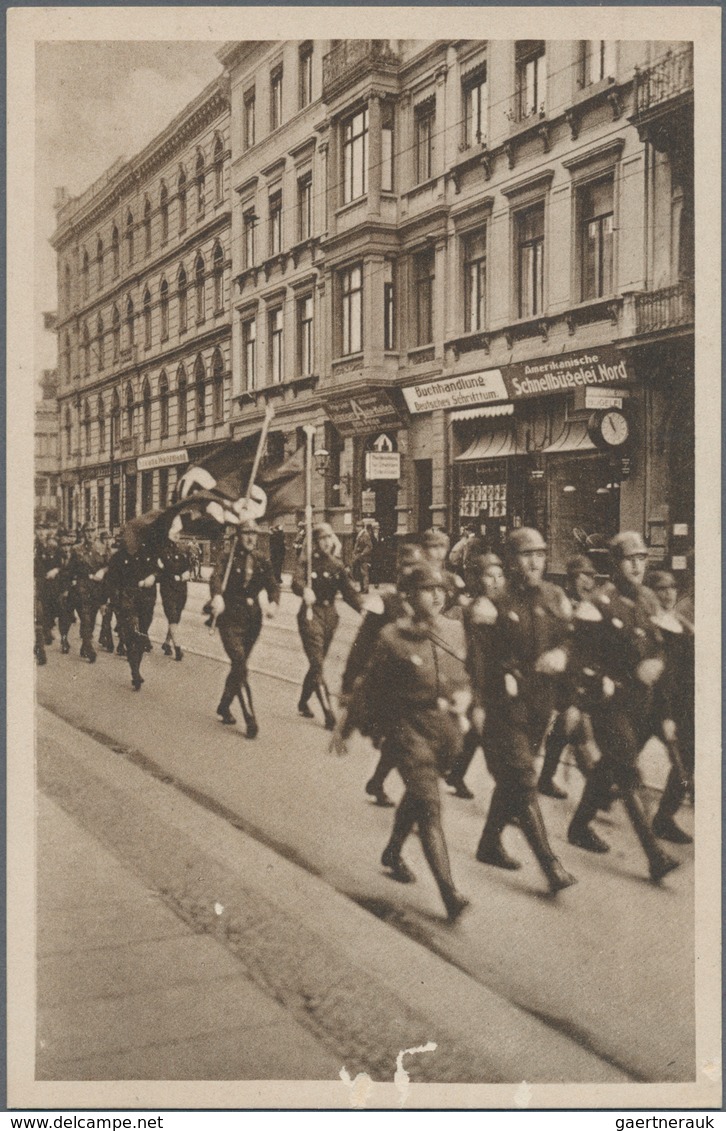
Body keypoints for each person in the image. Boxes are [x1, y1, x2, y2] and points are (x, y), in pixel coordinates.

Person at [348, 562, 471, 922]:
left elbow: (470, 673)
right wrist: (354, 726)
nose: (435, 595)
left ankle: (392, 851)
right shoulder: (392, 638)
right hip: (407, 730)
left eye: (440, 590)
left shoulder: (455, 631)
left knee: (419, 796)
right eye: (426, 590)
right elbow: (370, 686)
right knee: (430, 806)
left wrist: (468, 697)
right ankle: (450, 893)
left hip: (446, 731)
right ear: (408, 597)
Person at [566, 533, 681, 882]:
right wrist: (593, 684)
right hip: (609, 702)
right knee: (628, 770)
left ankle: (579, 826)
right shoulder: (598, 604)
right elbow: (579, 657)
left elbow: (660, 644)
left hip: (640, 703)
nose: (637, 565)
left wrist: (657, 665)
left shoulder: (648, 599)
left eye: (642, 558)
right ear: (615, 565)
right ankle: (654, 855)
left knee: (608, 766)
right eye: (629, 559)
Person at [473, 528, 577, 894]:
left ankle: (488, 843)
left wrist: (562, 654)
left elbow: (569, 636)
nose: (534, 562)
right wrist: (500, 680)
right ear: (512, 561)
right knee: (525, 780)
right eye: (525, 555)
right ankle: (551, 865)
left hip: (539, 707)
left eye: (540, 554)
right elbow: (481, 660)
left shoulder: (555, 596)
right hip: (505, 708)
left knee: (514, 780)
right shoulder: (493, 605)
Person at [334, 542, 424, 806]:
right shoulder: (384, 602)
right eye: (406, 567)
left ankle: (377, 782)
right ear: (398, 571)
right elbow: (360, 645)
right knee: (404, 744)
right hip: (383, 685)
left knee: (401, 741)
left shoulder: (424, 602)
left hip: (411, 685)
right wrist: (348, 686)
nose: (411, 573)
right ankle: (419, 803)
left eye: (416, 568)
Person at [209, 520, 280, 738]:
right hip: (230, 618)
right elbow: (216, 577)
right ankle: (250, 719)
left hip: (252, 621)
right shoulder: (227, 558)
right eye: (246, 533)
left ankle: (223, 705)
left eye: (254, 534)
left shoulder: (261, 560)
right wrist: (218, 596)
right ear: (239, 535)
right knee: (240, 663)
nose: (251, 538)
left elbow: (273, 585)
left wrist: (273, 602)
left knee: (239, 666)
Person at [445, 552, 507, 799]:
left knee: (475, 733)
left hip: (494, 680)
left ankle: (455, 773)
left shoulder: (501, 605)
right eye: (489, 576)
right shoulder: (479, 609)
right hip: (479, 679)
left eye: (500, 576)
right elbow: (479, 656)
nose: (495, 582)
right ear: (479, 580)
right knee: (491, 737)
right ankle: (511, 799)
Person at [537, 554, 599, 799]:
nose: (587, 582)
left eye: (591, 576)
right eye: (582, 576)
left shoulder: (591, 605)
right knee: (572, 721)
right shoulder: (560, 603)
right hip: (558, 676)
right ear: (570, 580)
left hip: (579, 676)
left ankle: (593, 784)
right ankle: (595, 786)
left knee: (573, 726)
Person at [293, 522, 362, 729]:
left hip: (330, 617)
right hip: (310, 615)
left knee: (317, 662)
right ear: (314, 543)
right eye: (321, 539)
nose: (325, 542)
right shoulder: (307, 563)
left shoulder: (336, 565)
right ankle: (328, 714)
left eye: (328, 538)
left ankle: (303, 701)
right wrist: (304, 590)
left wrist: (364, 609)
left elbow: (349, 593)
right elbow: (296, 581)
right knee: (317, 663)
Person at [648, 569, 694, 844]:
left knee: (683, 762)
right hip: (644, 705)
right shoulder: (646, 623)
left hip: (671, 706)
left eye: (671, 588)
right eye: (661, 589)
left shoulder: (681, 626)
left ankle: (664, 819)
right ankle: (586, 814)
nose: (667, 594)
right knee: (617, 762)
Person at [106, 541, 160, 690]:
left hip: (146, 601)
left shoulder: (149, 553)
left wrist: (153, 576)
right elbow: (110, 580)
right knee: (132, 635)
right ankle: (135, 672)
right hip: (126, 600)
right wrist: (111, 601)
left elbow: (161, 570)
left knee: (142, 636)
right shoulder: (119, 557)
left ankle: (136, 666)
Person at [67, 522, 110, 662]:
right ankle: (90, 650)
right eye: (87, 531)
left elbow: (109, 565)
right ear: (83, 533)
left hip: (97, 588)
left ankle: (85, 644)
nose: (90, 534)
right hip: (82, 587)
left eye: (92, 530)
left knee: (91, 619)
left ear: (96, 532)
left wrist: (103, 571)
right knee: (85, 618)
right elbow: (70, 569)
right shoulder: (76, 549)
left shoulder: (103, 548)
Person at [158, 530, 192, 661]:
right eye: (173, 532)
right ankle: (178, 648)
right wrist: (175, 576)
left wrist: (187, 573)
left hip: (181, 588)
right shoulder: (162, 550)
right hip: (168, 587)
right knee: (172, 615)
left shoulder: (183, 549)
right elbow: (161, 569)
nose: (177, 535)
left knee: (176, 616)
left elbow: (188, 565)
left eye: (178, 532)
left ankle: (166, 643)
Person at [351, 522, 374, 594]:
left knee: (364, 573)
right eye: (357, 526)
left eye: (358, 526)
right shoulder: (360, 535)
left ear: (362, 527)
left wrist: (362, 553)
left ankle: (365, 589)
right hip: (360, 557)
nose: (357, 528)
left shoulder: (365, 535)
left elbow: (369, 546)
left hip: (364, 557)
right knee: (361, 573)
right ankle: (362, 588)